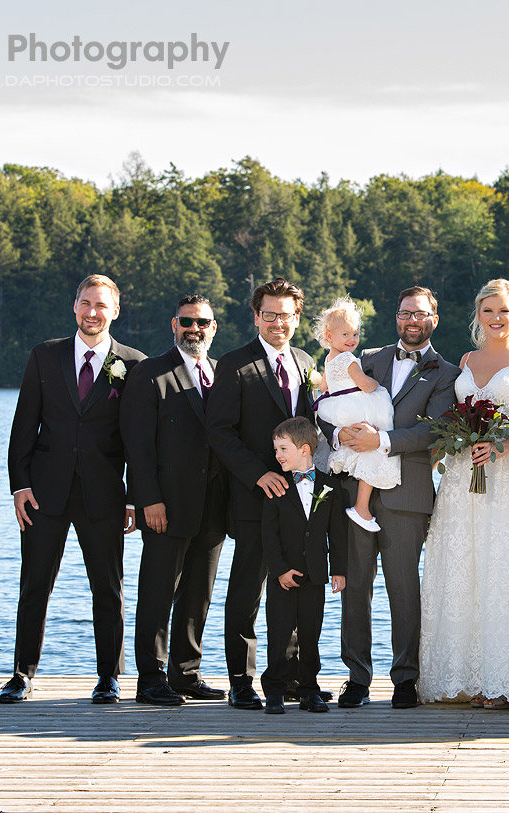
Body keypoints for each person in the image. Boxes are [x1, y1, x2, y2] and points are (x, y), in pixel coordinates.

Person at [418, 278, 509, 711]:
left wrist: (506, 444)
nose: (496, 319)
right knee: (466, 568)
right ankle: (470, 676)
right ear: (477, 316)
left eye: (503, 311)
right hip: (464, 475)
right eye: (488, 311)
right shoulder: (465, 359)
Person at [0, 275, 145, 705]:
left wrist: (134, 496)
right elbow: (23, 424)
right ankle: (21, 674)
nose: (92, 312)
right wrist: (19, 485)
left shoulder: (132, 363)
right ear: (74, 305)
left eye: (101, 305)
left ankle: (108, 677)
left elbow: (137, 440)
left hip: (104, 494)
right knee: (34, 585)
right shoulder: (45, 356)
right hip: (44, 494)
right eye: (85, 303)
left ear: (114, 311)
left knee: (108, 587)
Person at [318, 286, 460, 710]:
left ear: (434, 319)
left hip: (408, 494)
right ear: (395, 318)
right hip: (353, 491)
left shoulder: (445, 373)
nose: (411, 321)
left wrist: (381, 440)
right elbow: (329, 406)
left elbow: (433, 431)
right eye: (404, 314)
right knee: (355, 587)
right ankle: (357, 679)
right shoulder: (366, 359)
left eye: (419, 314)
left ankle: (405, 679)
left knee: (403, 589)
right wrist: (338, 435)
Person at [206, 278, 316, 710]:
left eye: (285, 315)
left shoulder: (307, 361)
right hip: (254, 497)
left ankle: (285, 677)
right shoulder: (234, 364)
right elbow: (219, 432)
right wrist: (258, 476)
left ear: (296, 318)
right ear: (256, 317)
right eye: (269, 314)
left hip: (299, 501)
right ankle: (241, 680)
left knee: (291, 585)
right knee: (247, 590)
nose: (277, 323)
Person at [120, 295, 229, 706]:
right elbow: (138, 445)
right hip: (165, 505)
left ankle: (185, 673)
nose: (194, 329)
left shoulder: (220, 373)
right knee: (157, 591)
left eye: (202, 322)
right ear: (174, 325)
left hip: (214, 506)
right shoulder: (150, 373)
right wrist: (147, 499)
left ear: (213, 327)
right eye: (187, 322)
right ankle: (149, 678)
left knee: (198, 593)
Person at [260, 417, 347, 714]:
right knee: (281, 633)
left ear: (305, 449)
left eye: (283, 448)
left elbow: (337, 533)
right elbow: (268, 536)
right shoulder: (276, 487)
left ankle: (309, 690)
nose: (278, 455)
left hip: (315, 575)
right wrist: (279, 570)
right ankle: (274, 690)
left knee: (311, 633)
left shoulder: (329, 487)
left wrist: (339, 570)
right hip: (282, 575)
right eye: (276, 450)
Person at [311, 298, 401, 532]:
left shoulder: (329, 359)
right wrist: (376, 384)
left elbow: (323, 388)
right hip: (357, 406)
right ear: (329, 336)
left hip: (336, 409)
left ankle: (358, 501)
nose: (352, 340)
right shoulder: (349, 359)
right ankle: (362, 507)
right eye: (346, 335)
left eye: (356, 334)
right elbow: (366, 385)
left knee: (359, 447)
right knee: (376, 447)